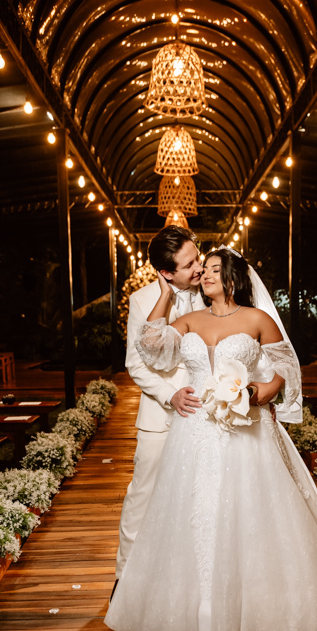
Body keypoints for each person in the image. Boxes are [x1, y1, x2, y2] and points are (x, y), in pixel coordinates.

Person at [105, 247, 317, 631]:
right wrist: (165, 293)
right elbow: (151, 346)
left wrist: (263, 392)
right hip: (194, 432)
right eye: (203, 268)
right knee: (193, 511)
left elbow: (287, 367)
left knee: (249, 511)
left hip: (247, 429)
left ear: (232, 278)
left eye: (214, 269)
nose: (204, 274)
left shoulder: (257, 319)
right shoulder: (188, 320)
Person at [116, 225, 207, 588]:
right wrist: (171, 395)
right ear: (166, 272)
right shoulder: (142, 301)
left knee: (199, 495)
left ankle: (188, 581)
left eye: (198, 258)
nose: (199, 268)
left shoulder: (212, 292)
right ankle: (125, 578)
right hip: (159, 418)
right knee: (142, 495)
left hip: (206, 413)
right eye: (189, 265)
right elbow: (135, 365)